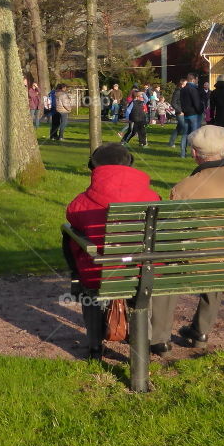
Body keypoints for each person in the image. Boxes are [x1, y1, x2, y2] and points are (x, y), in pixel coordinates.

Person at [150, 125, 224, 353]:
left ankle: (158, 338)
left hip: (199, 260)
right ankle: (200, 331)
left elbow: (171, 235)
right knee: (219, 254)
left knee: (167, 263)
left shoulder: (185, 187)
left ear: (194, 153)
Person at [65, 143, 161, 359]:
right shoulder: (152, 198)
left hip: (100, 273)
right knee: (142, 279)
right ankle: (142, 342)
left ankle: (95, 345)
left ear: (94, 168)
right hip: (142, 270)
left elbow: (71, 218)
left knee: (78, 251)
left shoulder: (83, 201)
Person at [179, 72, 204, 158]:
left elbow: (181, 102)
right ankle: (194, 153)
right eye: (197, 79)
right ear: (193, 80)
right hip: (194, 114)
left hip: (186, 114)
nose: (197, 81)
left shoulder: (183, 89)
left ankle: (183, 153)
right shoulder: (193, 89)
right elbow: (196, 102)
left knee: (185, 134)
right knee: (195, 135)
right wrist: (201, 110)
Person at [168, 77, 187, 149]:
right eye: (185, 84)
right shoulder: (177, 92)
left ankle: (171, 143)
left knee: (178, 129)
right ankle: (184, 144)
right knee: (184, 128)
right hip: (180, 113)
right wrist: (180, 111)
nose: (186, 85)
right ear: (182, 84)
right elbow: (173, 103)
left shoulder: (182, 91)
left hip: (183, 112)